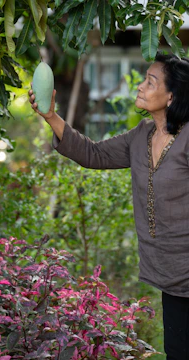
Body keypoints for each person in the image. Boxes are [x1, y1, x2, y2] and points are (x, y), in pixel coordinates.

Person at [29, 52, 189, 360]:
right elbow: (93, 154)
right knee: (178, 351)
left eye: (150, 82)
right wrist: (51, 116)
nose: (141, 87)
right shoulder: (141, 134)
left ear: (172, 96)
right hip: (172, 274)